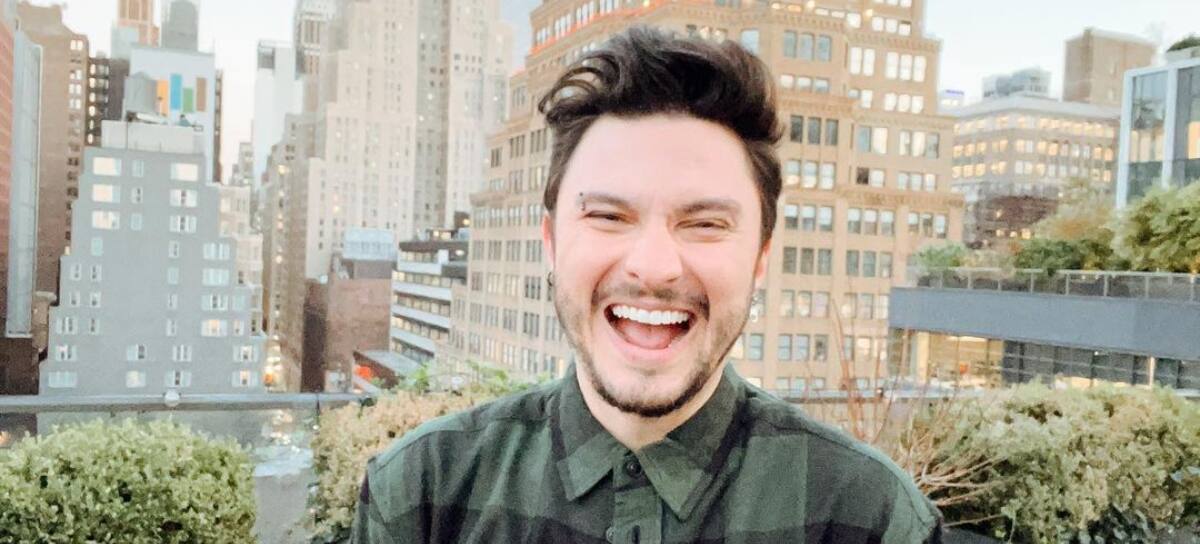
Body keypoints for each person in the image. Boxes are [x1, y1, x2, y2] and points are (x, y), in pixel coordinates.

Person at [351, 26, 943, 543]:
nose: (655, 267)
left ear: (760, 258)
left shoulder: (873, 518)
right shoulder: (421, 494)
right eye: (609, 216)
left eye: (705, 224)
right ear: (551, 241)